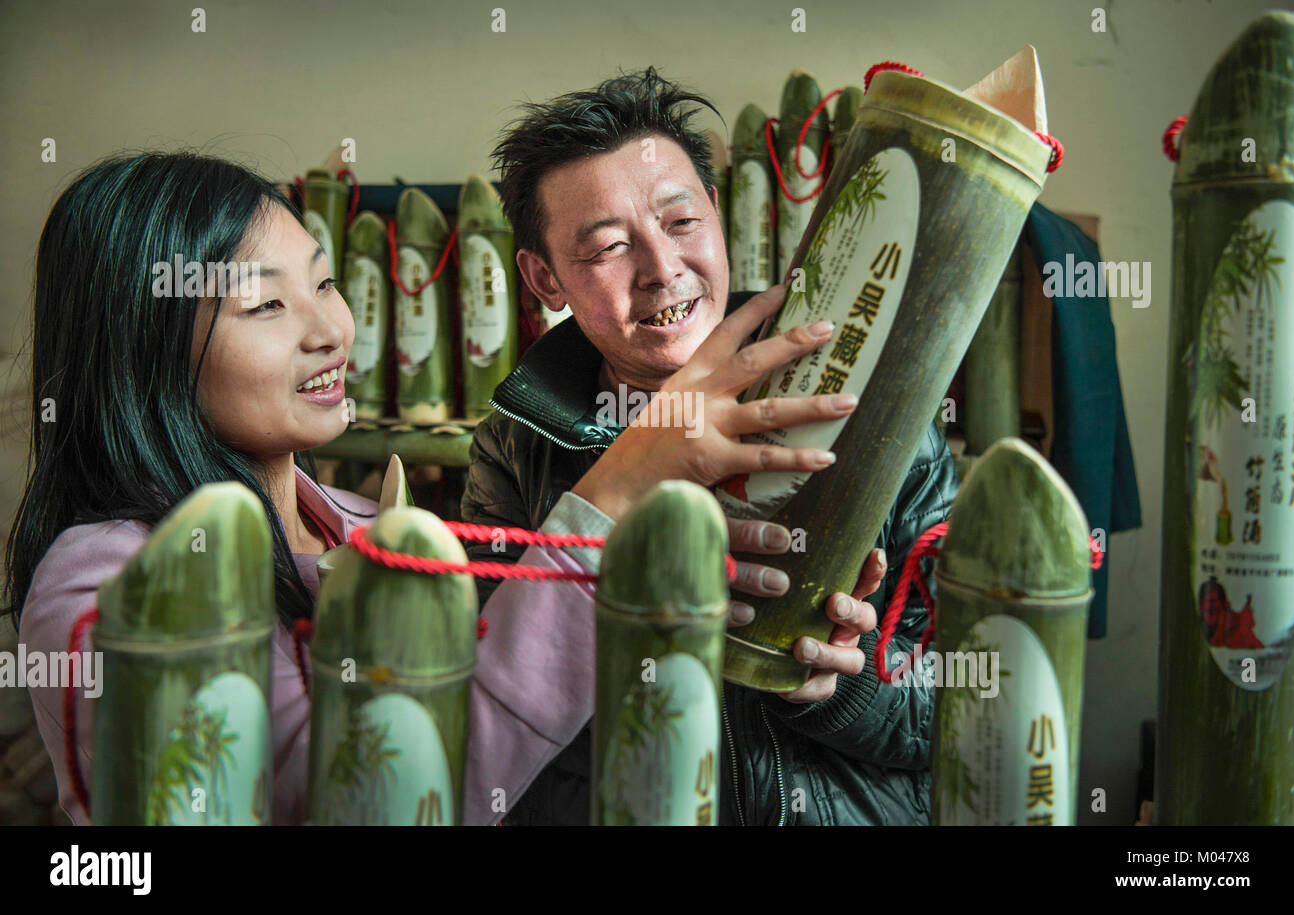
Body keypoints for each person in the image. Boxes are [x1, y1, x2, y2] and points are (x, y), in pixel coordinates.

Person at [3, 150, 863, 826]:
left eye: (328, 282)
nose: (332, 329)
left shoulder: (367, 519)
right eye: (267, 306)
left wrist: (786, 662)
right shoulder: (110, 582)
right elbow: (355, 796)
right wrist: (626, 480)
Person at [462, 67, 959, 825]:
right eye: (608, 247)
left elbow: (965, 704)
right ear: (542, 277)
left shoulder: (870, 405)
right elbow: (493, 717)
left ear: (719, 215)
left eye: (682, 222)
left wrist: (834, 685)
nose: (663, 271)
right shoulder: (515, 443)